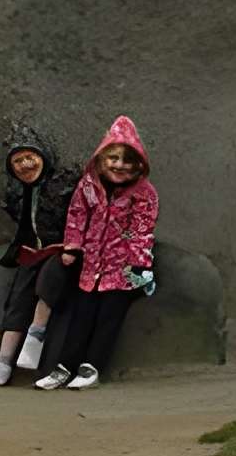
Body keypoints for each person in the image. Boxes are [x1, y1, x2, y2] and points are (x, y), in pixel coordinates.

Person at [34, 115, 157, 392]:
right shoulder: (89, 186)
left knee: (108, 317)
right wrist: (72, 246)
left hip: (123, 270)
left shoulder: (144, 193)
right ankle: (63, 367)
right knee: (82, 314)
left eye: (127, 160)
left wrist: (140, 266)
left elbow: (142, 229)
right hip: (92, 267)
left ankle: (92, 367)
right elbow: (77, 215)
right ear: (102, 158)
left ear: (138, 164)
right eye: (113, 158)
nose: (119, 165)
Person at [0, 125, 79, 386]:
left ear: (43, 156)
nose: (25, 165)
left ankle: (35, 336)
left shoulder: (64, 184)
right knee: (19, 291)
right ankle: (3, 361)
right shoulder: (19, 192)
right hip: (34, 251)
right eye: (17, 161)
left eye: (29, 157)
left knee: (50, 275)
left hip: (67, 251)